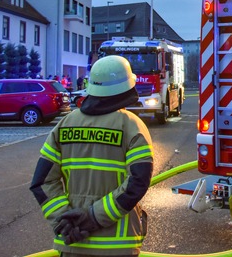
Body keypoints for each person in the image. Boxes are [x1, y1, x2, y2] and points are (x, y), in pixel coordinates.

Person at [30, 55, 154, 256]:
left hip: (72, 244)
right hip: (117, 246)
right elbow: (137, 182)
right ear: (127, 88)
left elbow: (42, 182)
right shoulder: (132, 126)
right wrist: (93, 218)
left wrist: (66, 221)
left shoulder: (66, 124)